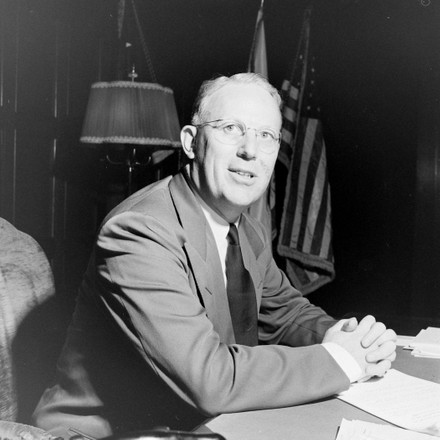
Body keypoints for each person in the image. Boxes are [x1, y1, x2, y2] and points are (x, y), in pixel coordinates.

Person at [33, 73, 396, 439]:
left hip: (207, 425)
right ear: (191, 142)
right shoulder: (139, 231)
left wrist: (348, 337)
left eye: (266, 135)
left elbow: (286, 313)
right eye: (231, 128)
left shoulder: (246, 230)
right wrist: (343, 360)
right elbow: (210, 379)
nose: (250, 150)